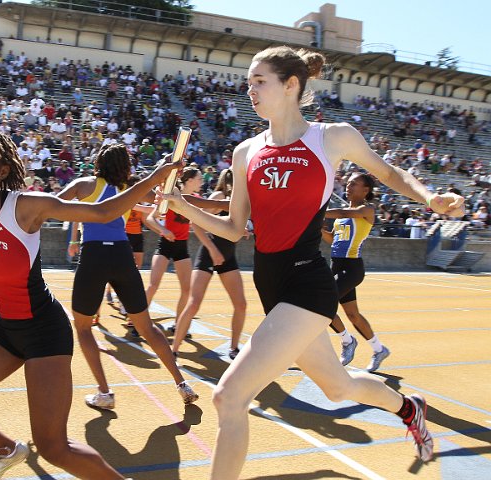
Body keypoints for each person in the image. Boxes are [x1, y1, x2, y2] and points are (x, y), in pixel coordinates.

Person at [162, 47, 464, 477]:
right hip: (271, 285)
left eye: (259, 81)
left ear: (291, 85)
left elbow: (389, 173)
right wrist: (182, 205)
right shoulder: (246, 151)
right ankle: (409, 408)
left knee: (229, 397)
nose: (250, 90)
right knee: (338, 386)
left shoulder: (331, 137)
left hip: (307, 284)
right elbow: (233, 227)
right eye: (248, 82)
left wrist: (431, 198)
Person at [0, 126, 181, 479]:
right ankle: (7, 450)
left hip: (45, 332)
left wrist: (155, 177)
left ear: (3, 170)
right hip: (6, 333)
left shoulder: (27, 206)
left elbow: (103, 213)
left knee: (55, 448)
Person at [59, 144, 198, 410]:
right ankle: (182, 384)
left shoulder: (85, 184)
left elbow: (53, 205)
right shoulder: (128, 190)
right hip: (123, 256)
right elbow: (156, 197)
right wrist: (168, 166)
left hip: (94, 256)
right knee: (146, 327)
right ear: (126, 167)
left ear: (98, 161)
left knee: (84, 327)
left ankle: (105, 393)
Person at [170, 169, 247, 360]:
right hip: (209, 253)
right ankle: (174, 349)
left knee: (241, 305)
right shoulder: (219, 196)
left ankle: (234, 348)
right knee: (194, 303)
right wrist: (212, 249)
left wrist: (242, 231)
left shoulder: (238, 200)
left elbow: (230, 225)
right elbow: (196, 222)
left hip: (228, 256)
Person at [322, 172, 390, 372]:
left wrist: (317, 211)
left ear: (365, 190)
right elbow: (332, 240)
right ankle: (379, 349)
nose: (349, 187)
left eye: (354, 184)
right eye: (348, 183)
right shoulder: (342, 215)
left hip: (352, 268)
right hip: (337, 265)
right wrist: (319, 230)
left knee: (323, 303)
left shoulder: (366, 210)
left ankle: (347, 341)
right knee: (352, 314)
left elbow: (343, 214)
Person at [144, 167, 204, 333]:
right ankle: (136, 321)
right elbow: (151, 218)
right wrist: (164, 230)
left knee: (186, 289)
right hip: (165, 244)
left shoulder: (196, 200)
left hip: (181, 246)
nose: (202, 182)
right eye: (199, 179)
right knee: (153, 285)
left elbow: (202, 221)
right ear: (189, 181)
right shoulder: (172, 196)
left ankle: (178, 325)